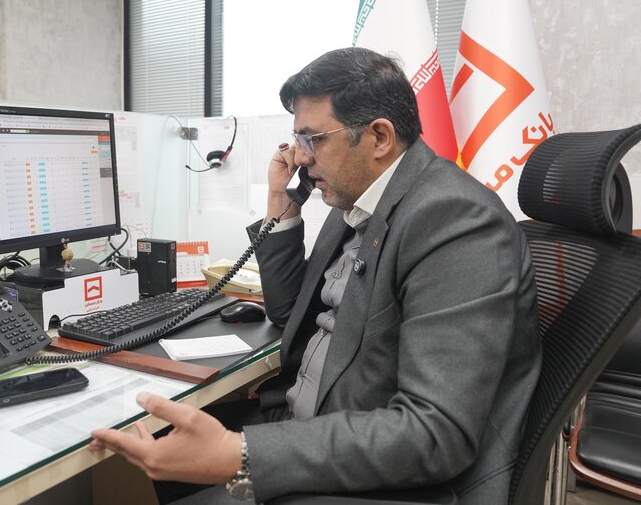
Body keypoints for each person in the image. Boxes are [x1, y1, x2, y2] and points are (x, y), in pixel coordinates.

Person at [89, 47, 542, 504]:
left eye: (313, 139)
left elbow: (434, 433)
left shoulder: (455, 221)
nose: (301, 158)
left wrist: (242, 455)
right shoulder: (358, 201)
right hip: (308, 422)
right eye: (297, 140)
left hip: (389, 477)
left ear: (379, 137)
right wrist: (280, 203)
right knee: (157, 438)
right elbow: (291, 314)